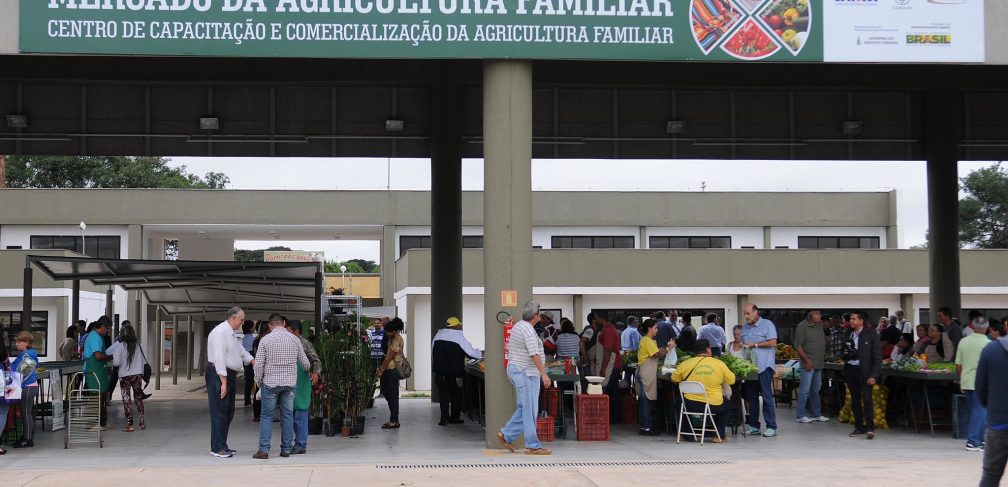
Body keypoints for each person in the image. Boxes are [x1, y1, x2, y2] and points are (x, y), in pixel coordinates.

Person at [497, 301, 551, 455]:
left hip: (525, 372)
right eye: (539, 314)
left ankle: (506, 434)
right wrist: (544, 374)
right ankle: (533, 445)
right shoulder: (527, 330)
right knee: (528, 409)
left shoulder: (520, 326)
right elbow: (533, 354)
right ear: (535, 315)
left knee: (527, 409)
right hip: (524, 372)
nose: (540, 317)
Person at [206, 307, 254, 458]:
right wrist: (223, 381)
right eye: (241, 319)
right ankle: (218, 448)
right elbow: (219, 358)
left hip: (228, 375)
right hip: (219, 375)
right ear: (233, 318)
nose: (242, 322)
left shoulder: (231, 334)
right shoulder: (220, 333)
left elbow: (240, 350)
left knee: (228, 412)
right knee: (220, 411)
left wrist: (252, 360)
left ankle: (221, 445)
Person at [672, 339, 736, 443]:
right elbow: (732, 380)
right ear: (708, 349)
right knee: (727, 406)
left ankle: (687, 434)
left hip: (690, 404)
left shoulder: (685, 364)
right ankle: (718, 435)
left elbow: (674, 379)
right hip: (713, 405)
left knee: (679, 403)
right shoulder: (719, 364)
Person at [432, 317, 481, 425]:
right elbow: (471, 353)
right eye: (459, 324)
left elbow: (433, 352)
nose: (460, 326)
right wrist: (481, 353)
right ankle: (455, 418)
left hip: (440, 373)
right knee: (456, 396)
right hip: (454, 374)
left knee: (443, 397)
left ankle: (443, 418)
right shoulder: (458, 336)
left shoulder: (438, 336)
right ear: (455, 326)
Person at [975, 332, 1008, 487]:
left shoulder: (991, 349)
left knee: (991, 475)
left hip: (998, 423)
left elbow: (980, 387)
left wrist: (993, 407)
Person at [741, 303, 778, 437]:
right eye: (744, 314)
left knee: (767, 397)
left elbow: (773, 342)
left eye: (748, 313)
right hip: (750, 369)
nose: (746, 316)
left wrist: (755, 345)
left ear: (756, 312)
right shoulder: (745, 327)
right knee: (751, 398)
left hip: (764, 367)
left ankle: (772, 426)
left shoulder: (767, 324)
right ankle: (754, 426)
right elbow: (744, 345)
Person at [844, 310, 882, 440]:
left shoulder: (871, 334)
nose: (851, 321)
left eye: (853, 319)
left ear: (861, 321)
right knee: (854, 400)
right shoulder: (848, 334)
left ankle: (870, 427)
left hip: (865, 371)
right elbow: (843, 352)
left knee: (866, 399)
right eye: (850, 319)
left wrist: (874, 375)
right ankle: (859, 426)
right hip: (851, 369)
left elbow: (877, 357)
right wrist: (847, 354)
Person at [286, 319, 320, 455]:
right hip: (288, 380)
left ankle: (300, 444)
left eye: (288, 331)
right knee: (291, 414)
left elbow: (316, 360)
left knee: (300, 412)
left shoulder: (304, 343)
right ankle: (294, 443)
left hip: (301, 382)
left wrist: (316, 373)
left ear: (296, 331)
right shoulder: (286, 342)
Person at [956, 319, 991, 452]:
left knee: (977, 412)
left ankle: (980, 440)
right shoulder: (988, 343)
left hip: (966, 381)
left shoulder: (963, 341)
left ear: (972, 326)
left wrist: (961, 380)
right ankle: (972, 441)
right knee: (980, 411)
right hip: (982, 383)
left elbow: (958, 364)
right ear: (986, 328)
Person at [108, 324, 147, 432]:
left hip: (124, 376)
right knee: (139, 398)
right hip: (137, 375)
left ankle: (130, 424)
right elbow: (142, 361)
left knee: (126, 399)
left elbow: (116, 363)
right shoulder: (138, 345)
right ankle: (142, 421)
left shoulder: (119, 346)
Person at [794, 310, 828, 424]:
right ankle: (800, 415)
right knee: (804, 390)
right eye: (816, 322)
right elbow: (798, 346)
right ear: (809, 320)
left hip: (818, 363)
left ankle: (816, 414)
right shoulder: (802, 327)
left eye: (819, 322)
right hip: (808, 364)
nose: (818, 324)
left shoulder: (820, 324)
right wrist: (807, 361)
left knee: (816, 389)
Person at [636, 318, 667, 436]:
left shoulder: (649, 341)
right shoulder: (647, 340)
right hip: (645, 373)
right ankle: (646, 428)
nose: (657, 330)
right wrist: (668, 347)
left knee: (646, 401)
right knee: (646, 401)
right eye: (655, 327)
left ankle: (645, 426)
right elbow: (657, 354)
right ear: (649, 328)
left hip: (646, 373)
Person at [375, 317, 405, 430]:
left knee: (392, 396)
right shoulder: (391, 338)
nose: (387, 333)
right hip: (388, 370)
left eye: (388, 332)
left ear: (394, 331)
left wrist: (381, 370)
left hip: (392, 371)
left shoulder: (397, 339)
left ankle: (394, 420)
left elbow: (389, 357)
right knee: (388, 394)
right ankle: (394, 419)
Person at [83, 317, 112, 429]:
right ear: (103, 327)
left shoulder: (97, 336)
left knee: (102, 395)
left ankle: (102, 422)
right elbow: (98, 356)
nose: (107, 331)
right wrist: (110, 356)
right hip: (94, 370)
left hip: (99, 369)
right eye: (108, 328)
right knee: (96, 396)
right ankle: (95, 423)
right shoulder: (95, 337)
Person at [11, 332, 39, 448]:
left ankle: (27, 439)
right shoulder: (31, 354)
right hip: (31, 387)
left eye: (19, 341)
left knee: (26, 413)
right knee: (26, 413)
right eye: (16, 341)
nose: (16, 344)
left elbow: (17, 370)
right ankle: (27, 436)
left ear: (27, 343)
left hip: (27, 387)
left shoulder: (26, 356)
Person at [595, 313, 623, 424]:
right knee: (613, 392)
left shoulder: (609, 331)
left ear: (602, 319)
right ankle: (614, 417)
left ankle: (609, 417)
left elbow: (608, 351)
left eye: (596, 319)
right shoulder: (607, 330)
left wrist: (603, 369)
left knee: (606, 391)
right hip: (613, 365)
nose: (595, 321)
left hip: (611, 365)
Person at [251, 321, 270, 421]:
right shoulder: (265, 340)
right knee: (264, 392)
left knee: (258, 392)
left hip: (257, 368)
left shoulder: (256, 340)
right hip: (264, 369)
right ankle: (261, 415)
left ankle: (257, 415)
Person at [369, 317, 387, 397]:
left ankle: (382, 392)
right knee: (371, 375)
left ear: (381, 324)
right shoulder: (371, 333)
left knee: (382, 375)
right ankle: (370, 392)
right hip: (372, 357)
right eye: (375, 323)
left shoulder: (384, 334)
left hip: (381, 358)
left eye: (378, 323)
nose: (376, 324)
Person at [241, 320, 256, 406]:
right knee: (249, 382)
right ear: (250, 328)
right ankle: (247, 401)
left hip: (248, 362)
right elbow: (249, 351)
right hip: (249, 363)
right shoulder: (249, 338)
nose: (254, 328)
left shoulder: (247, 337)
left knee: (249, 382)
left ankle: (248, 400)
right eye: (253, 326)